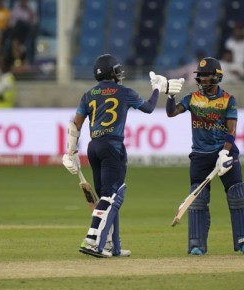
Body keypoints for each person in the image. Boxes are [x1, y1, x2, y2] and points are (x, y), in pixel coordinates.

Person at [61, 54, 184, 258]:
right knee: (111, 196)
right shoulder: (124, 92)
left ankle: (112, 246)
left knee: (106, 198)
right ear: (112, 72)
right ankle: (92, 240)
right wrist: (157, 89)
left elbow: (75, 124)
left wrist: (70, 152)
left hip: (94, 147)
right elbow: (149, 108)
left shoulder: (88, 94)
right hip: (113, 147)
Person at [165, 57, 244, 255]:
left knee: (237, 196)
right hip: (200, 156)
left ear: (217, 77)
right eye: (200, 76)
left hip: (225, 153)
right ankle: (196, 245)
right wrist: (170, 97)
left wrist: (225, 152)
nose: (202, 80)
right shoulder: (192, 98)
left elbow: (231, 130)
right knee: (198, 199)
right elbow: (171, 113)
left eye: (206, 76)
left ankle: (242, 241)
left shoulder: (228, 99)